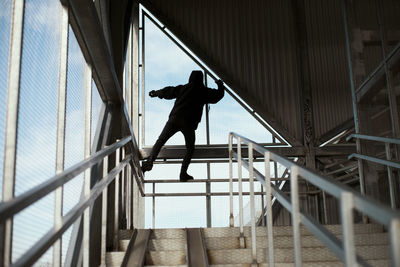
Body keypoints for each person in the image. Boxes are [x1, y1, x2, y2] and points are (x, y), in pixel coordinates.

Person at [141, 70, 225, 182]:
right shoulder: (204, 91)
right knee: (190, 148)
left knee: (160, 141)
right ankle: (183, 173)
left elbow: (168, 91)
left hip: (174, 119)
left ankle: (149, 163)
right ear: (202, 79)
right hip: (189, 124)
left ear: (190, 78)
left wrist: (155, 93)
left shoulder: (183, 88)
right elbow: (218, 96)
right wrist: (220, 85)